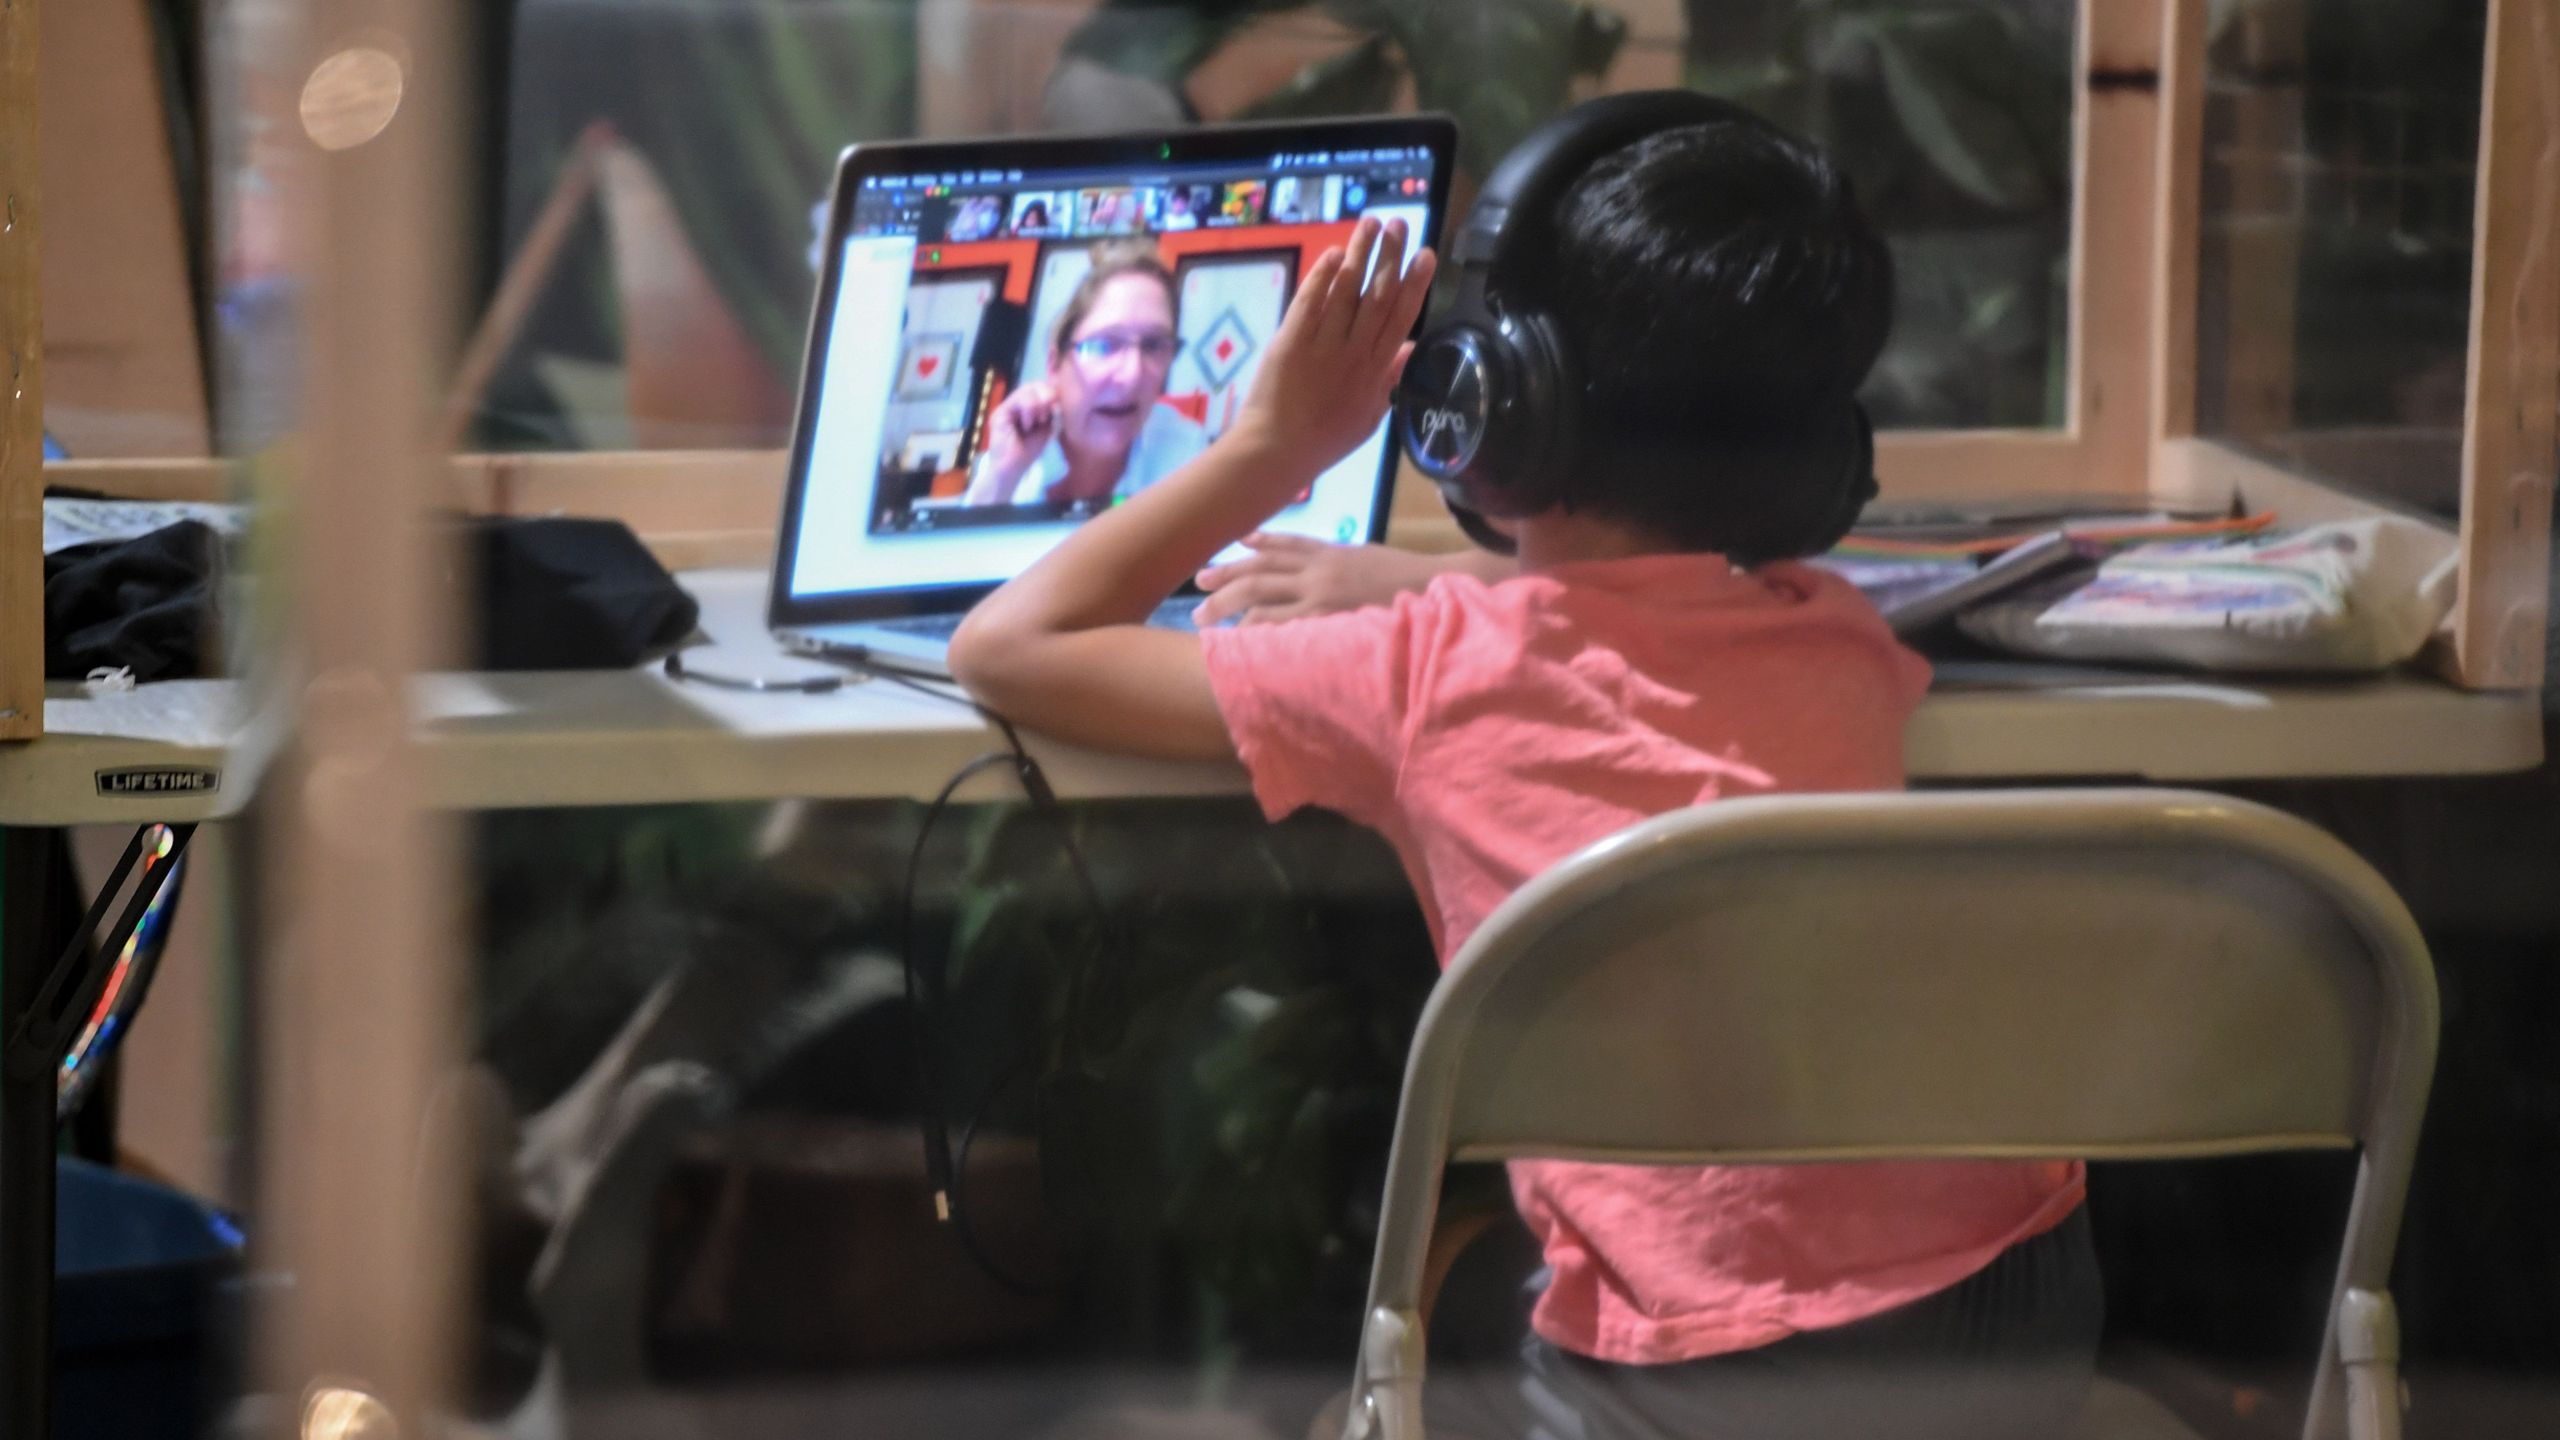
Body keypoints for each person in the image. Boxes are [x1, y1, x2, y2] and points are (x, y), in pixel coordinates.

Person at [950, 107, 2099, 1440]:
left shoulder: (1420, 672)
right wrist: (1429, 578)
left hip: (1690, 1382)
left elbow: (1010, 645)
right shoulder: (1832, 631)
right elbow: (1639, 618)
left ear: (1497, 398)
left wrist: (1274, 449)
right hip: (2013, 1320)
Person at [963, 242, 1210, 509]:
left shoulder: (1186, 456)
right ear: (1055, 364)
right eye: (1104, 345)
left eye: (1153, 345)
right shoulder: (1016, 449)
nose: (1132, 374)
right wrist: (1004, 474)